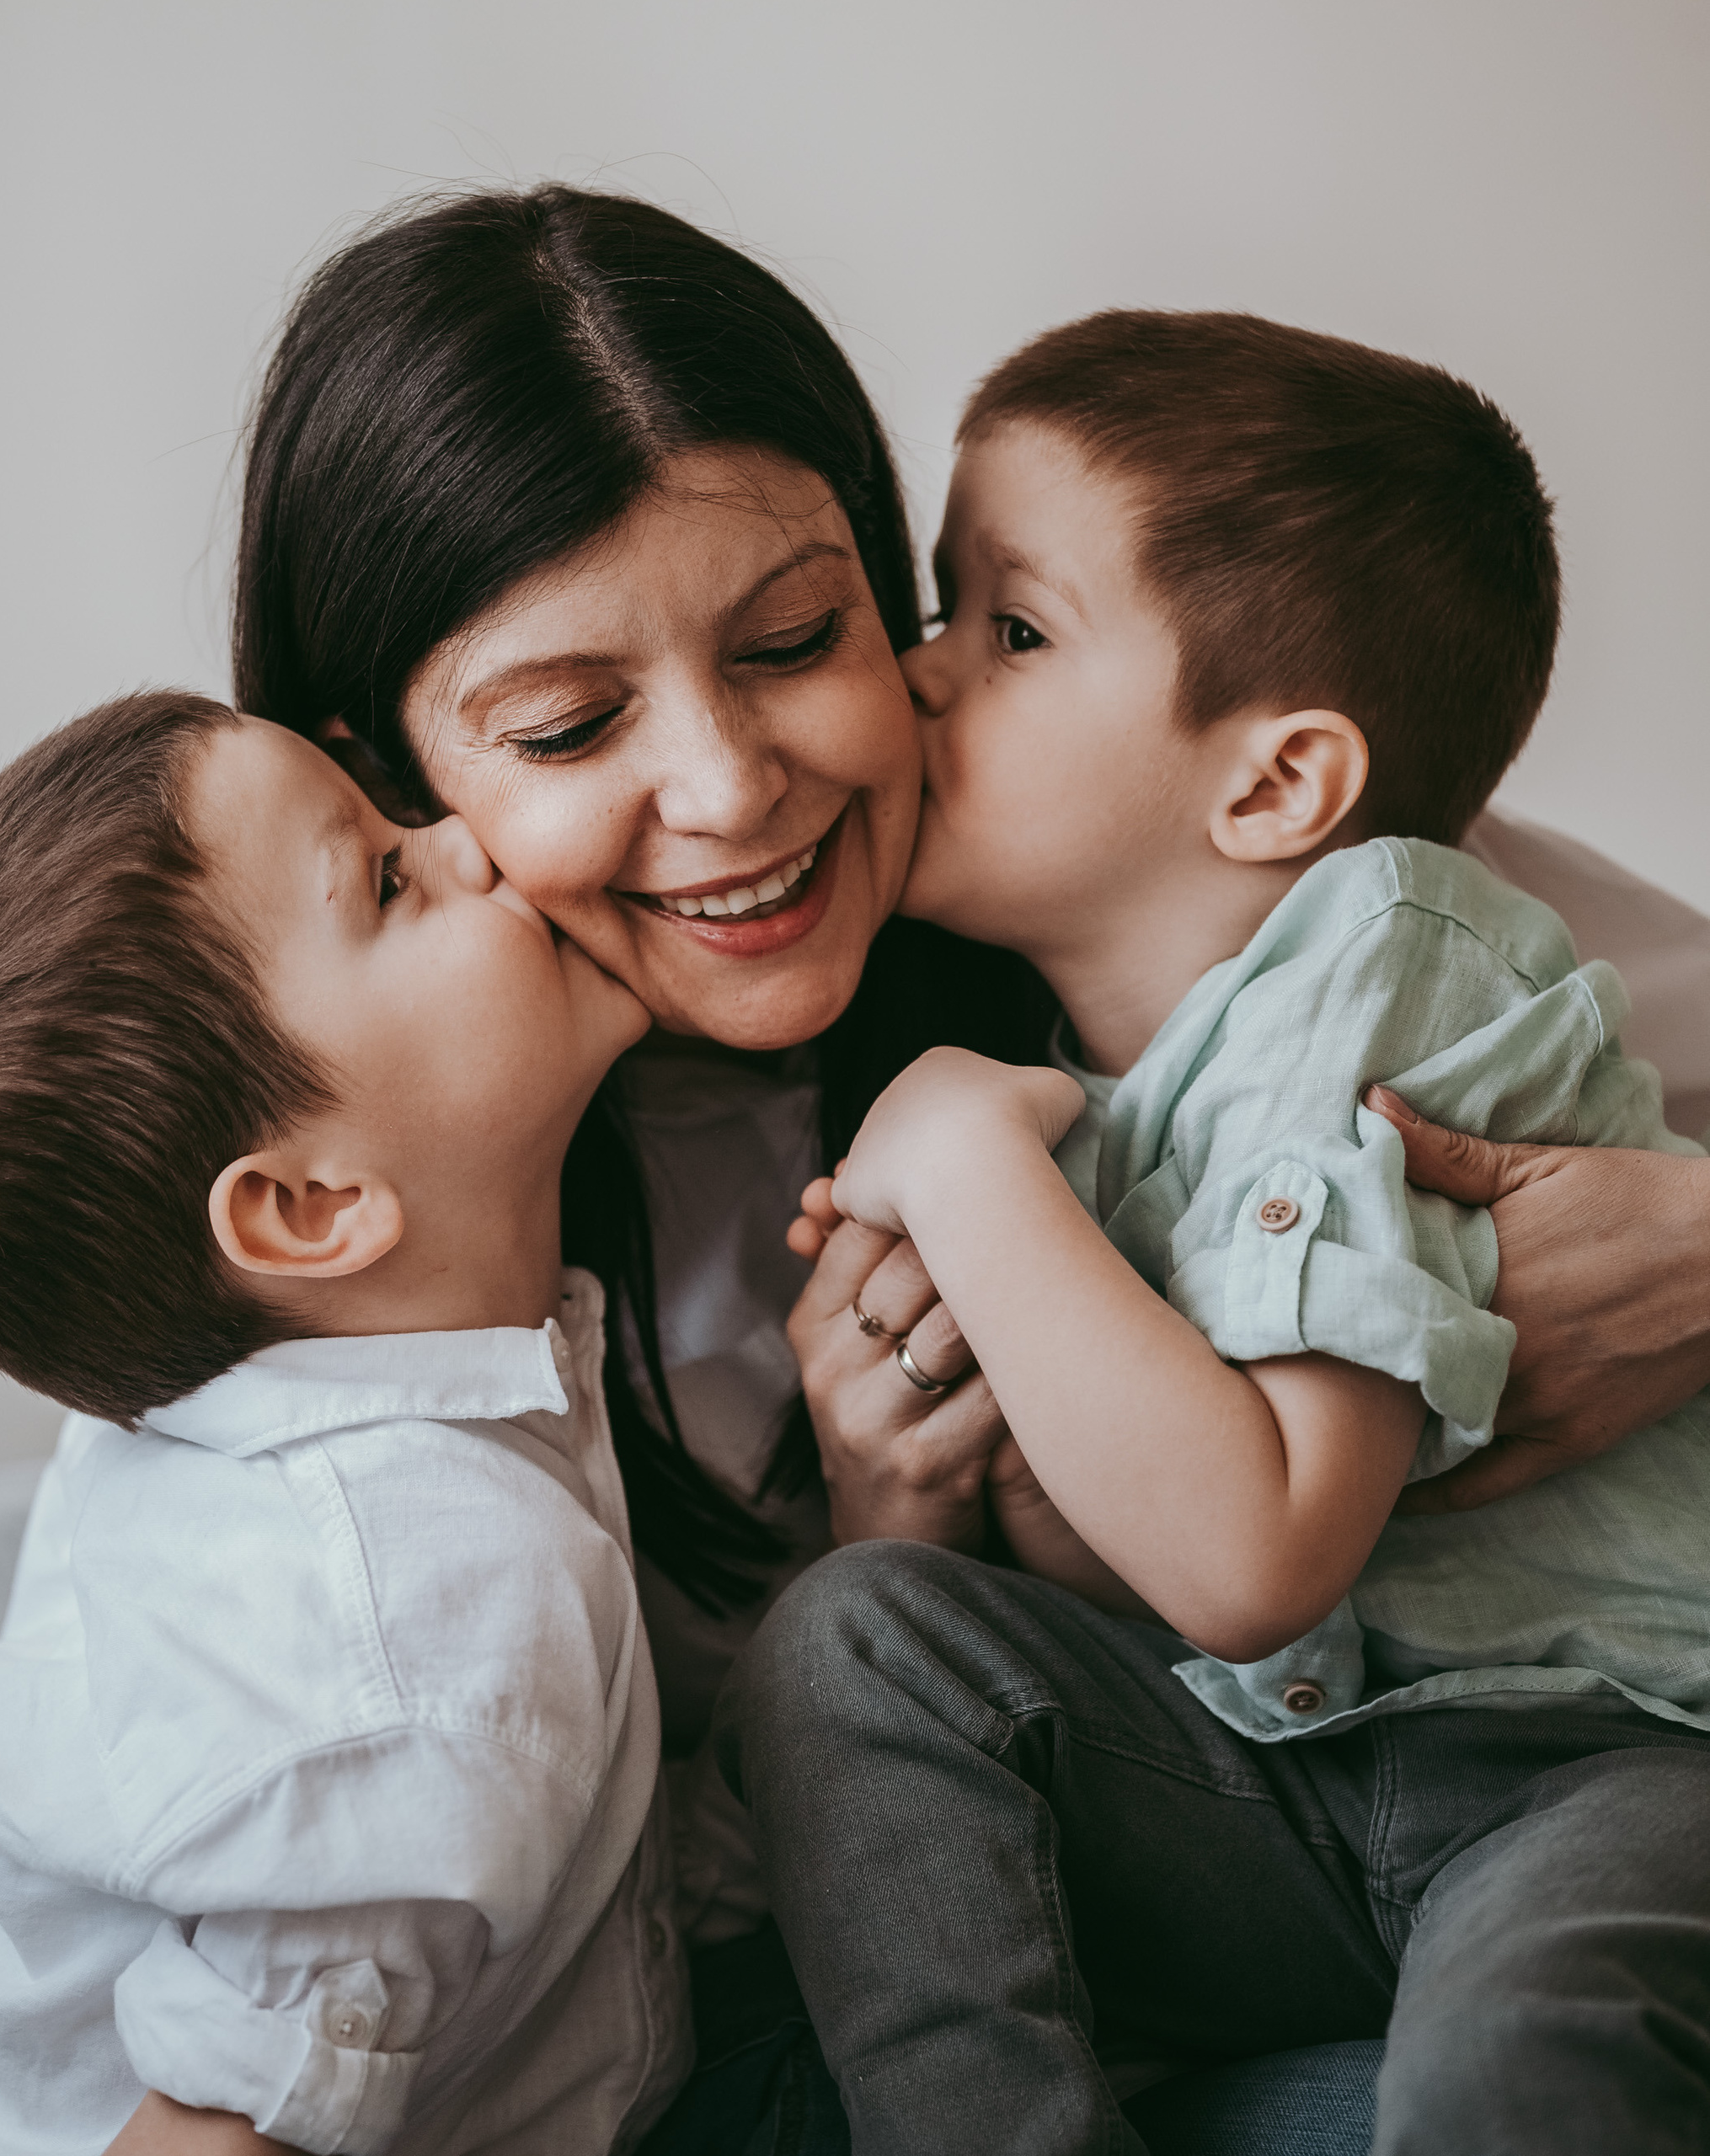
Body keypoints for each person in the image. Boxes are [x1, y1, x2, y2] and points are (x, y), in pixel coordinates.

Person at [227, 185, 1710, 2148]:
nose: (734, 786)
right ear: (388, 783)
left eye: (800, 635)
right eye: (574, 721)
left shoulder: (1302, 913)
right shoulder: (362, 1237)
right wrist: (904, 1517)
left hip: (1571, 1785)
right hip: (1179, 1868)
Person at [722, 312, 1710, 2155]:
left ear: (1270, 785)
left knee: (1520, 2053)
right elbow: (1136, 1609)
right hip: (1291, 1792)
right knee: (850, 1637)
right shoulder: (1075, 1094)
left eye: (1006, 628)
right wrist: (949, 1455)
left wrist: (955, 1160)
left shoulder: (1387, 957)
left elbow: (1254, 1552)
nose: (915, 676)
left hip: (1593, 1759)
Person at [0, 691, 689, 2156]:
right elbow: (223, 2133)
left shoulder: (228, 1416)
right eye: (391, 878)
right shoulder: (416, 1623)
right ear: (311, 1206)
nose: (469, 839)